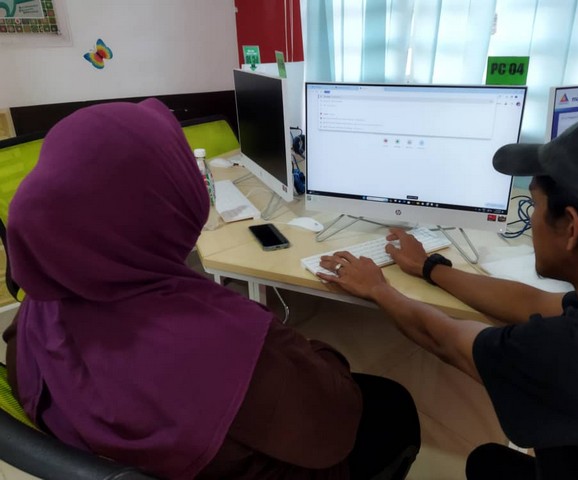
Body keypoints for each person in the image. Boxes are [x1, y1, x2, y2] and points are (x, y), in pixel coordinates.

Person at [1, 98, 420, 480]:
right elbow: (333, 424)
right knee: (392, 404)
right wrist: (314, 351)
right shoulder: (228, 343)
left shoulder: (39, 307)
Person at [318, 108, 578, 479]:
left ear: (570, 227)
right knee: (490, 462)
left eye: (534, 205)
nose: (530, 219)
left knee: (487, 463)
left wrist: (378, 289)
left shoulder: (572, 353)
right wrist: (429, 268)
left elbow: (447, 340)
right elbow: (534, 303)